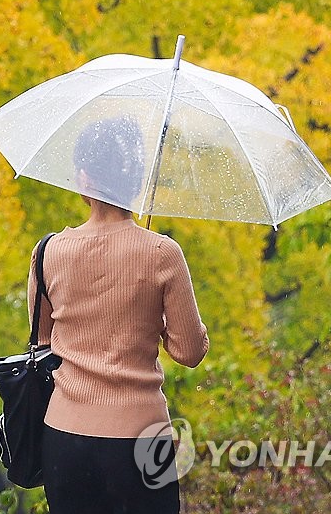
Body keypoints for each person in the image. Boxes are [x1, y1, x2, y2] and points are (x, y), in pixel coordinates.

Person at [28, 115, 209, 514]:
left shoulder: (48, 252)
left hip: (65, 439)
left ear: (82, 177)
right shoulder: (162, 253)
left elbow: (42, 344)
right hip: (142, 439)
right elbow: (190, 352)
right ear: (137, 180)